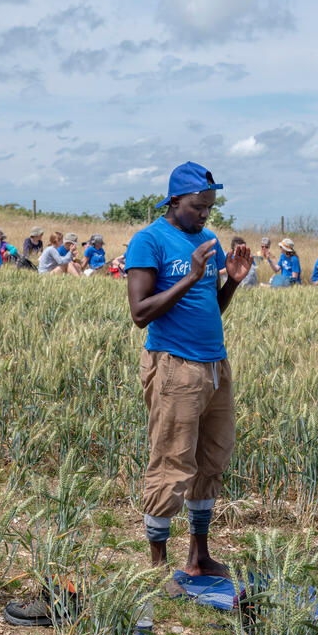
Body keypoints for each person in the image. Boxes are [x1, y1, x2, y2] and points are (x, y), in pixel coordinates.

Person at [125, 162, 251, 591]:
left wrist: (230, 283)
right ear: (175, 201)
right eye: (199, 207)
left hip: (215, 365)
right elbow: (140, 313)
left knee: (211, 458)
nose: (205, 215)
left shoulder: (208, 240)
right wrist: (193, 275)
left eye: (210, 207)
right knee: (172, 459)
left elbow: (209, 308)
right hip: (174, 365)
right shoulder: (149, 240)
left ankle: (198, 557)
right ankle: (156, 567)